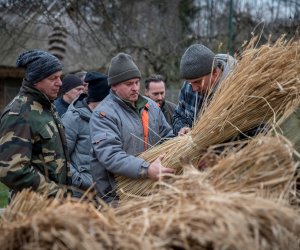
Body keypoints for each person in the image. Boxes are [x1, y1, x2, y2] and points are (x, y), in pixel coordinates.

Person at [89, 52, 175, 203]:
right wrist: (146, 169)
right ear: (114, 86)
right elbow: (111, 156)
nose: (135, 88)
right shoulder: (103, 114)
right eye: (129, 84)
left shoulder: (151, 106)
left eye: (137, 82)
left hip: (152, 191)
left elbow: (167, 136)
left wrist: (180, 139)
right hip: (118, 197)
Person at [0, 49, 70, 197]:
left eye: (60, 77)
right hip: (32, 208)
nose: (60, 83)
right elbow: (11, 169)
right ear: (36, 81)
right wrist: (54, 193)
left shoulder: (47, 106)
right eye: (53, 78)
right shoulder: (20, 114)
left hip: (54, 206)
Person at [62, 71, 110, 197]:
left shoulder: (109, 117)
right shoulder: (73, 119)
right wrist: (81, 181)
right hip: (80, 195)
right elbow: (61, 156)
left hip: (105, 192)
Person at [173, 44, 236, 135]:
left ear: (215, 72)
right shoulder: (189, 84)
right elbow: (178, 116)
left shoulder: (237, 87)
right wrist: (182, 128)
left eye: (197, 82)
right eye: (190, 82)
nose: (193, 88)